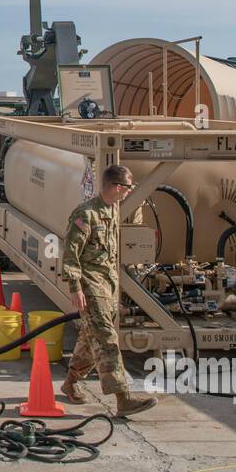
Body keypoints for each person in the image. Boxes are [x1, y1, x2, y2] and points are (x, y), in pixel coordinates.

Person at [60, 164, 158, 418]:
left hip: (108, 285)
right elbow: (70, 254)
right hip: (91, 286)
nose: (129, 192)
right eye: (127, 188)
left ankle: (71, 382)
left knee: (90, 337)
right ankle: (123, 398)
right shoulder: (86, 215)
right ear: (116, 187)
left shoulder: (113, 210)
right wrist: (75, 287)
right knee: (107, 340)